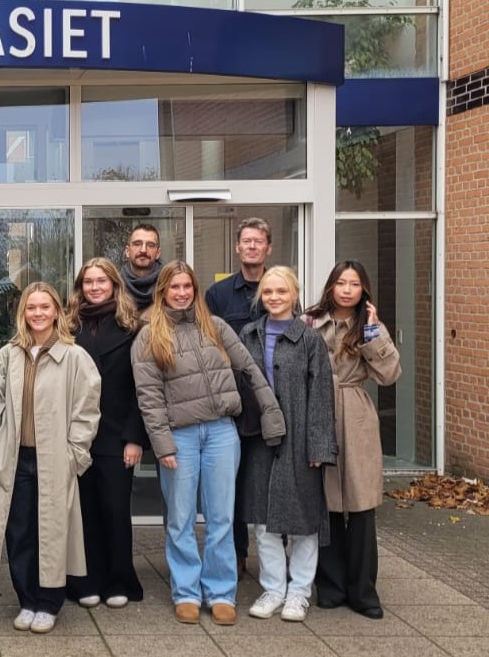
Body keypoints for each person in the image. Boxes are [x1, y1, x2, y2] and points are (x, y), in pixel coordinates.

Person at [131, 261, 285, 626]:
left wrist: (272, 414)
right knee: (180, 518)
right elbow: (149, 398)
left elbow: (251, 371)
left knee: (221, 517)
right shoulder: (149, 336)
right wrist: (162, 444)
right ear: (163, 292)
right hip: (180, 435)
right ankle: (186, 591)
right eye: (174, 287)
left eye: (187, 286)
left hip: (221, 432)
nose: (182, 293)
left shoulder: (215, 327)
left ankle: (220, 592)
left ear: (195, 290)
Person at [0, 282, 101, 635]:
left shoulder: (74, 357)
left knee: (52, 530)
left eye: (45, 307)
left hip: (55, 457)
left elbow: (87, 410)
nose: (38, 313)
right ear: (22, 312)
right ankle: (26, 599)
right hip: (14, 458)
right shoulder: (7, 355)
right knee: (19, 531)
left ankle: (49, 603)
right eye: (31, 307)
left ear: (57, 311)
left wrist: (76, 454)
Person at [238, 266, 337, 623]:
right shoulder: (248, 334)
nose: (274, 298)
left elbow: (321, 394)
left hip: (299, 439)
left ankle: (299, 593)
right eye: (268, 292)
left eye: (281, 291)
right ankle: (273, 589)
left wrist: (319, 447)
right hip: (259, 439)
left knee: (303, 520)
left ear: (294, 295)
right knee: (263, 521)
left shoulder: (309, 339)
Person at [305, 260, 402, 619]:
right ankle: (330, 586)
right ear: (331, 286)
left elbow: (389, 375)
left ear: (364, 290)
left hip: (356, 414)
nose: (347, 290)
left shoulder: (371, 327)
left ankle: (363, 591)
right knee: (327, 503)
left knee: (361, 506)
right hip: (319, 411)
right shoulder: (310, 322)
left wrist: (373, 334)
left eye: (354, 284)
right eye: (341, 283)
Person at [64, 258, 148, 610]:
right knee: (83, 511)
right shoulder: (68, 325)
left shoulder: (133, 327)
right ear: (80, 287)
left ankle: (119, 580)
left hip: (117, 434)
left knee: (115, 510)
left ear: (114, 284)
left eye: (101, 281)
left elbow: (142, 388)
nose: (95, 287)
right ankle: (86, 581)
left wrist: (135, 438)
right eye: (88, 282)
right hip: (78, 435)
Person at [206, 217, 274, 575]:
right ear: (237, 247)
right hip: (233, 403)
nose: (251, 247)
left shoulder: (278, 288)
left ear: (268, 248)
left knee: (266, 480)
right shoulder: (218, 295)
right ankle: (236, 552)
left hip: (272, 402)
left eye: (258, 241)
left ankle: (274, 557)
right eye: (246, 241)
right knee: (229, 482)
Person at [120, 225, 163, 310]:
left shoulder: (169, 284)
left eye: (150, 245)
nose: (143, 250)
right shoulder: (115, 286)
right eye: (137, 244)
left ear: (158, 253)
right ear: (127, 251)